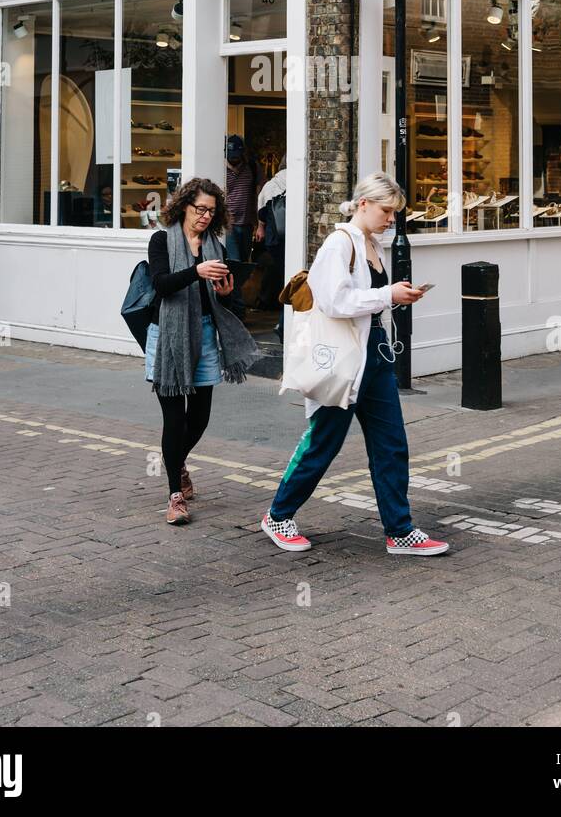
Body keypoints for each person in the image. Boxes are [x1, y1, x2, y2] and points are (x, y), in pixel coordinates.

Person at [261, 172, 450, 558]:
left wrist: (396, 297)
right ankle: (278, 515)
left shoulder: (372, 245)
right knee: (324, 444)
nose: (391, 220)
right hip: (344, 359)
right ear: (363, 204)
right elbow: (332, 302)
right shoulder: (339, 243)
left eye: (395, 214)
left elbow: (366, 300)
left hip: (374, 356)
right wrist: (386, 293)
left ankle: (400, 530)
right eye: (386, 211)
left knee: (391, 444)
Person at [147, 176, 259, 526]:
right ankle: (175, 496)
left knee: (199, 418)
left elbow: (233, 304)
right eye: (200, 209)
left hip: (206, 335)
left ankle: (176, 461)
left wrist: (226, 293)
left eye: (212, 211)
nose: (206, 216)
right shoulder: (162, 239)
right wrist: (195, 271)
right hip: (168, 336)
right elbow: (162, 285)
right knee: (174, 418)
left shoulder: (216, 247)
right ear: (184, 206)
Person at [255, 158, 287, 338]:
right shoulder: (301, 179)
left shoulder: (271, 184)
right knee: (290, 277)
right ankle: (284, 320)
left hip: (274, 238)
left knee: (282, 275)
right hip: (292, 236)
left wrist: (260, 228)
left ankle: (281, 318)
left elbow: (261, 212)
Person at [224, 135, 261, 262]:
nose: (234, 157)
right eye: (231, 154)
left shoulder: (252, 167)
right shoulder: (219, 169)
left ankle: (239, 282)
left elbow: (260, 193)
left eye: (236, 154)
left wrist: (259, 222)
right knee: (234, 261)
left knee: (245, 261)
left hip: (247, 223)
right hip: (228, 224)